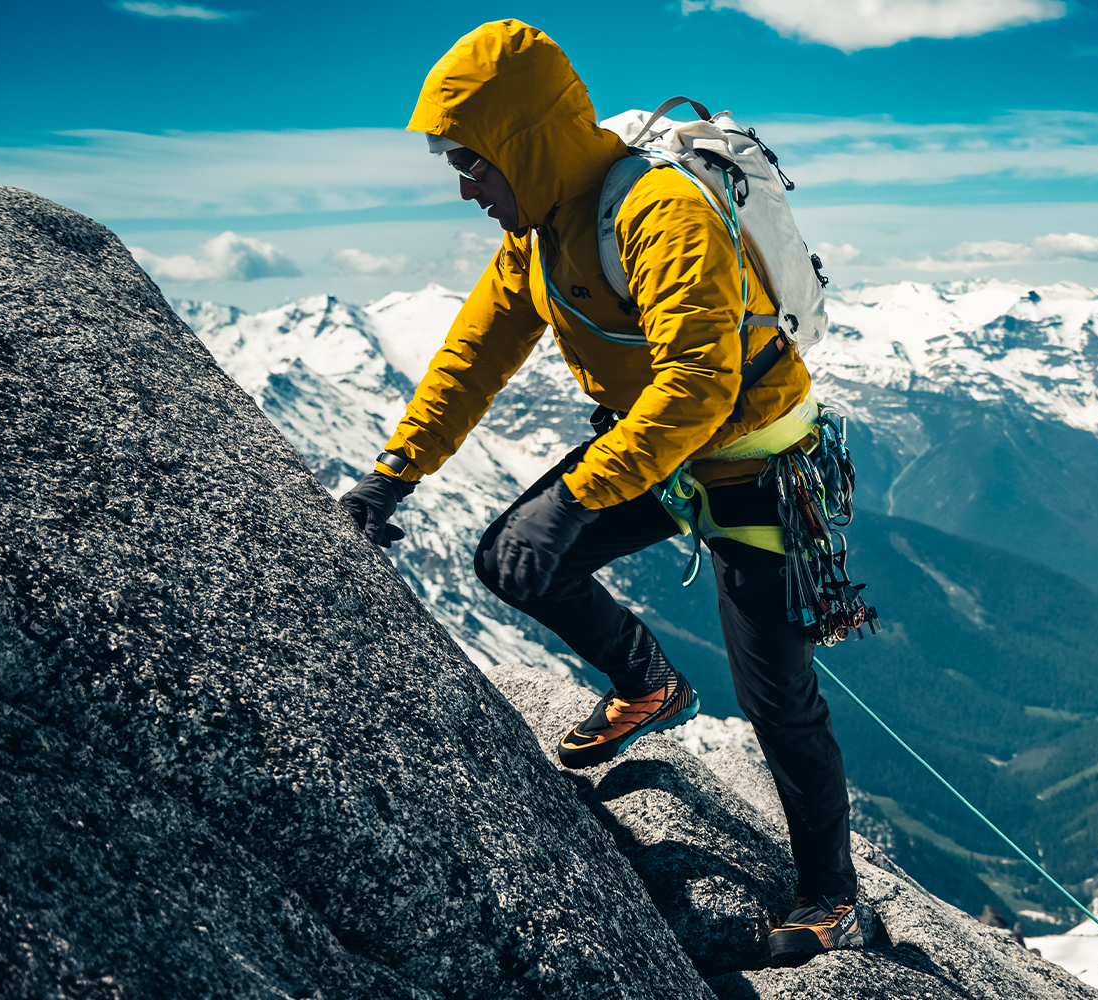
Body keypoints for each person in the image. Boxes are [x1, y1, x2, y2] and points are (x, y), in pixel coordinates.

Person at [332, 19, 871, 963]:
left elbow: (699, 383)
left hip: (757, 466)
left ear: (523, 143)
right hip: (659, 454)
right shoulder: (537, 238)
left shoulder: (659, 213)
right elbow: (471, 359)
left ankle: (833, 895)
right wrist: (392, 476)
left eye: (472, 162)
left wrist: (580, 494)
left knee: (775, 695)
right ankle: (647, 683)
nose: (465, 188)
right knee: (511, 557)